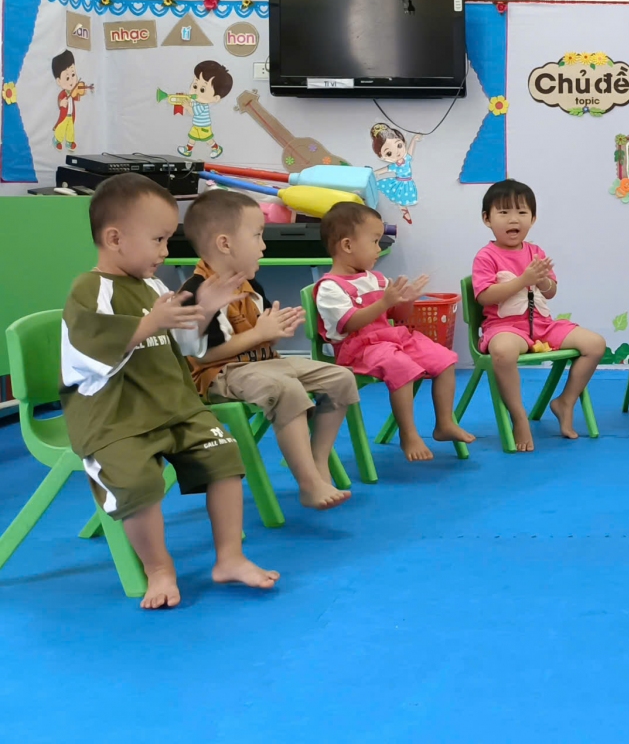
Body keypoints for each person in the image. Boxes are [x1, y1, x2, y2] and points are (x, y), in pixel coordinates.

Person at [59, 172, 276, 609]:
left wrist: (203, 312)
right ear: (115, 239)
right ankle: (158, 568)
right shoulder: (91, 289)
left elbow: (184, 345)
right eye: (158, 240)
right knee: (136, 481)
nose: (165, 251)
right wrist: (147, 324)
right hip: (115, 418)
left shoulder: (154, 287)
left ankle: (229, 558)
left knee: (223, 455)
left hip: (173, 407)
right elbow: (84, 353)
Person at [180, 187, 357, 511]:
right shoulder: (196, 292)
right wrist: (259, 334)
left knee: (341, 378)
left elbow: (258, 337)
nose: (263, 245)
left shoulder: (251, 285)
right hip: (221, 374)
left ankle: (317, 461)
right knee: (284, 388)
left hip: (263, 363)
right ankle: (308, 483)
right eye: (257, 235)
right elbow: (203, 356)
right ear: (225, 244)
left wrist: (273, 333)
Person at [313, 202, 473, 461]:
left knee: (444, 359)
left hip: (391, 339)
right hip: (358, 349)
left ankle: (444, 422)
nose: (379, 248)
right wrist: (384, 302)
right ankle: (408, 434)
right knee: (401, 366)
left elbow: (398, 317)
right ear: (347, 245)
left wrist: (406, 300)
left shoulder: (376, 279)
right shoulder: (330, 287)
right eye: (375, 241)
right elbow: (349, 323)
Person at [471, 179, 608, 449]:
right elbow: (485, 296)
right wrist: (523, 280)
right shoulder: (486, 256)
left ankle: (566, 401)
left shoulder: (535, 251)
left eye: (522, 212)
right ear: (487, 219)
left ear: (532, 219)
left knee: (595, 344)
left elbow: (551, 292)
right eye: (504, 212)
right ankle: (519, 417)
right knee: (503, 351)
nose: (514, 219)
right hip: (506, 327)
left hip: (543, 325)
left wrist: (542, 280)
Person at [176, 59, 231, 160]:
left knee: (208, 139)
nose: (195, 91)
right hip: (197, 124)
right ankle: (188, 150)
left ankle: (216, 148)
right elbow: (192, 104)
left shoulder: (202, 105)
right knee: (192, 137)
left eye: (202, 90)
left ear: (215, 98)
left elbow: (193, 112)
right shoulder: (196, 101)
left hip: (203, 126)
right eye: (195, 85)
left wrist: (187, 106)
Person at [371, 123, 422, 225]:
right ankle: (405, 212)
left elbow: (410, 151)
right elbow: (385, 169)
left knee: (405, 199)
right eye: (389, 153)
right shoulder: (394, 166)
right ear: (382, 156)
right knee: (400, 200)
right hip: (399, 184)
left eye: (399, 145)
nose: (397, 152)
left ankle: (405, 212)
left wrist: (414, 139)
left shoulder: (407, 159)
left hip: (408, 184)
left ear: (403, 143)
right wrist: (373, 173)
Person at [52, 50, 90, 151]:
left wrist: (82, 91)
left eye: (73, 75)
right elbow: (60, 100)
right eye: (67, 78)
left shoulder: (73, 91)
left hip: (71, 116)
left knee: (70, 129)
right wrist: (61, 103)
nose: (72, 81)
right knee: (61, 128)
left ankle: (69, 142)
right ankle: (57, 139)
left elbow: (76, 96)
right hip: (64, 116)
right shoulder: (63, 93)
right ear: (59, 81)